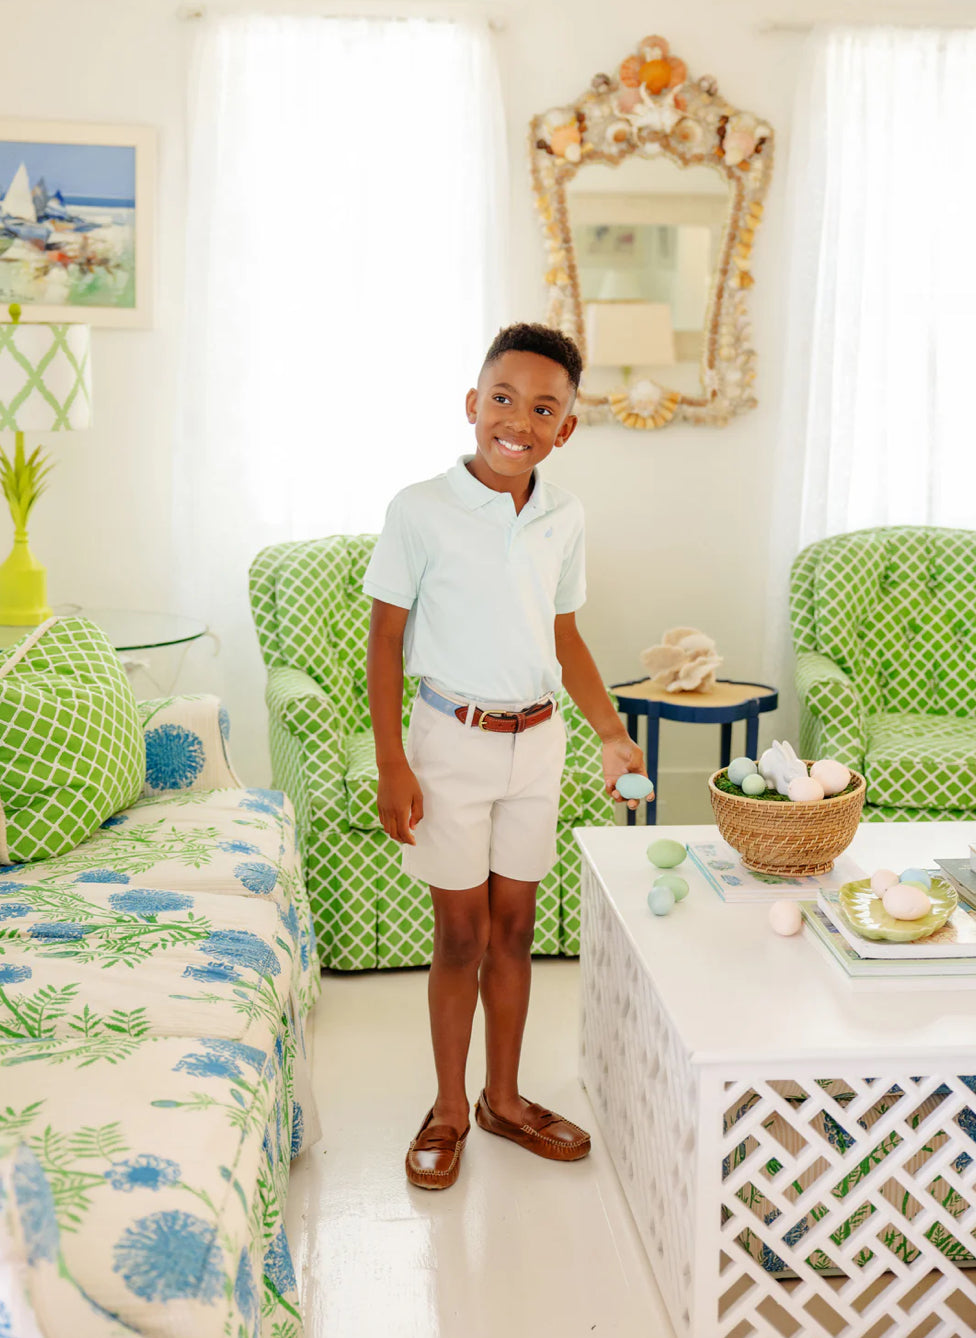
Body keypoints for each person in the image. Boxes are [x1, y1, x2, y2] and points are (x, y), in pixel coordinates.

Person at [364, 321, 651, 1190]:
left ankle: (503, 1099)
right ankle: (449, 1108)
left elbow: (564, 636)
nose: (518, 420)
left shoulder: (565, 516)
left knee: (516, 930)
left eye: (543, 408)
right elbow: (385, 641)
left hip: (538, 744)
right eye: (502, 399)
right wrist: (392, 763)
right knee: (460, 934)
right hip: (448, 743)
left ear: (566, 427)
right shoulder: (419, 510)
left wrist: (610, 731)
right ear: (472, 404)